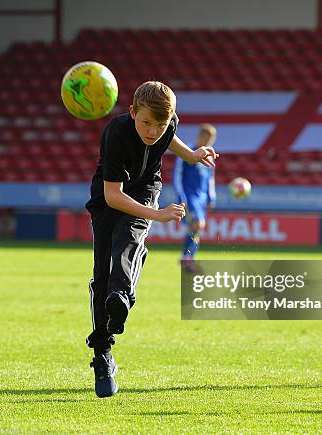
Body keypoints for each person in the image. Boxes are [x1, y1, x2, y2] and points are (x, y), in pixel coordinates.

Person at [84, 81, 218, 397]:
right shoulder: (117, 134)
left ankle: (121, 296)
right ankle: (102, 355)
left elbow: (170, 137)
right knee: (101, 275)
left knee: (128, 242)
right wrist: (156, 214)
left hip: (145, 190)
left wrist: (191, 155)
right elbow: (113, 195)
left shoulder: (166, 124)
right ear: (132, 112)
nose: (152, 131)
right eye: (146, 122)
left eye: (160, 124)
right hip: (108, 199)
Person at [173, 124, 217, 273]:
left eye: (212, 139)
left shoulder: (210, 155)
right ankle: (187, 258)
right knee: (198, 224)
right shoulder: (188, 151)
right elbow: (177, 176)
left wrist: (211, 197)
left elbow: (210, 179)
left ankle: (187, 258)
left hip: (201, 198)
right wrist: (181, 196)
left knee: (197, 228)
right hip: (189, 196)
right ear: (201, 136)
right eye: (207, 138)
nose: (209, 142)